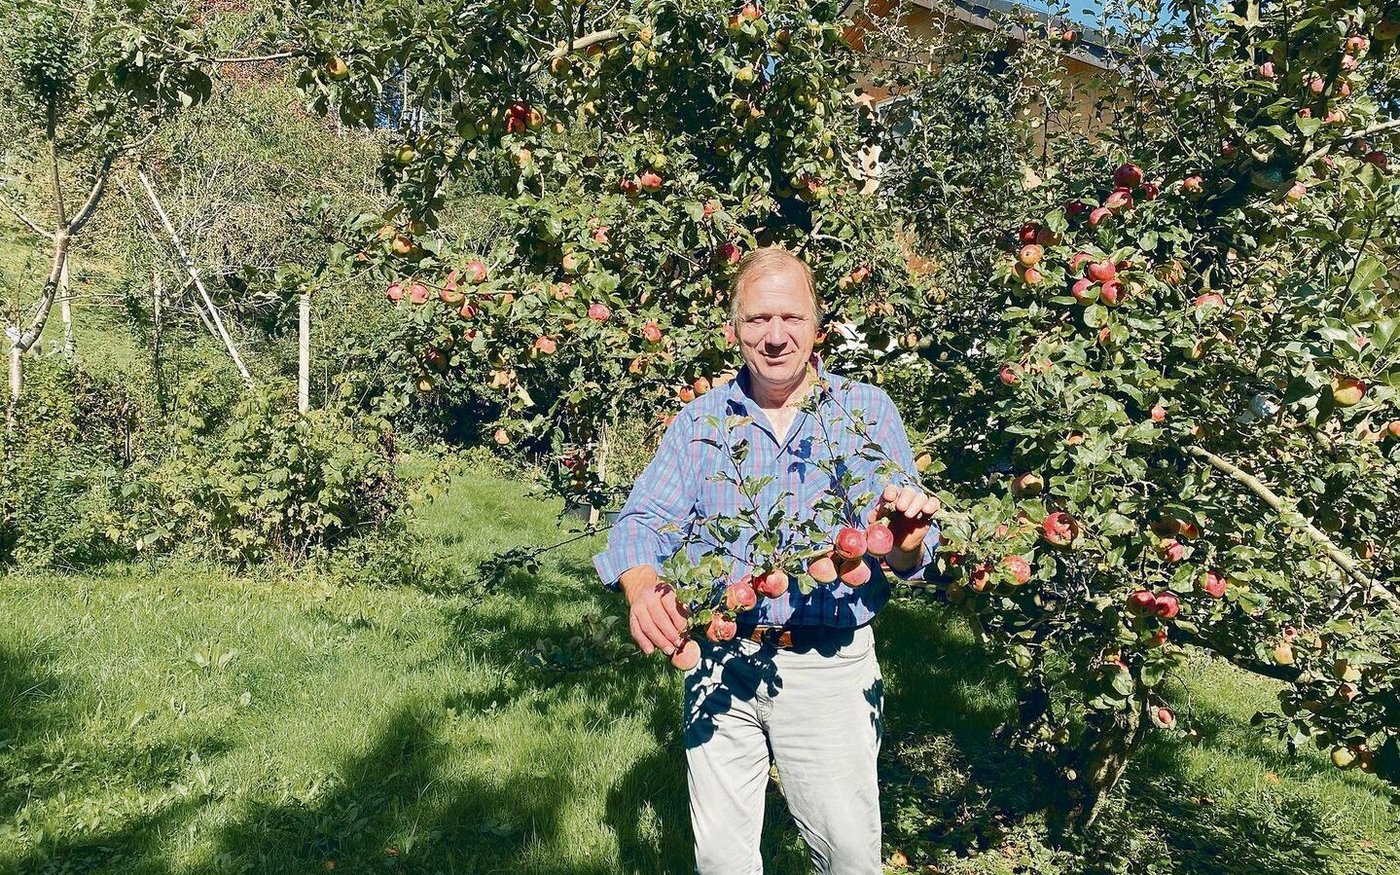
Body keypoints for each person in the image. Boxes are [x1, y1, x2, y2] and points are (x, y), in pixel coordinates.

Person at [593, 246, 940, 874]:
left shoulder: (864, 413)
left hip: (828, 665)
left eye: (791, 319)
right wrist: (643, 588)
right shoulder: (700, 424)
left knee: (849, 857)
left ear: (818, 328)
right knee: (723, 861)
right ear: (733, 331)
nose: (775, 337)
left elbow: (909, 554)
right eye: (757, 320)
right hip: (722, 659)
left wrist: (909, 535)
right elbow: (642, 521)